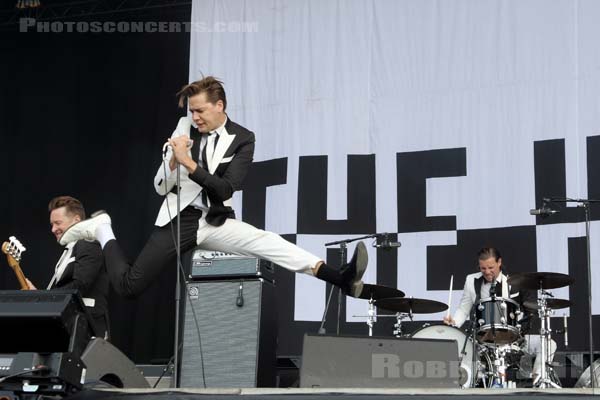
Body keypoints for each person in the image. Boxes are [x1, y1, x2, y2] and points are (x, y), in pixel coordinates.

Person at [58, 76, 368, 301]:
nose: (195, 117)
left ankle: (339, 277)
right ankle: (103, 230)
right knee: (128, 287)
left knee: (268, 242)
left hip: (214, 220)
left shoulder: (243, 138)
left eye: (200, 111)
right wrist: (171, 163)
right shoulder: (184, 127)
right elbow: (159, 187)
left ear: (219, 106)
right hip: (179, 220)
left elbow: (225, 188)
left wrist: (189, 164)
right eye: (191, 111)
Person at [444, 247, 557, 385]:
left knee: (548, 344)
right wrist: (453, 322)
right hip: (482, 341)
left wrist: (521, 328)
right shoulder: (471, 281)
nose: (487, 272)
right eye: (483, 268)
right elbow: (463, 308)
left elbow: (528, 311)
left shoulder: (513, 282)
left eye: (491, 267)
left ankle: (538, 381)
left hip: (512, 338)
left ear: (499, 262)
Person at [26, 196, 110, 339]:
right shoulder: (70, 250)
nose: (53, 229)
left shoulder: (89, 243)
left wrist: (45, 298)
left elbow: (80, 284)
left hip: (87, 327)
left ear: (76, 221)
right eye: (51, 224)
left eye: (58, 223)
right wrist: (39, 296)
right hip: (70, 325)